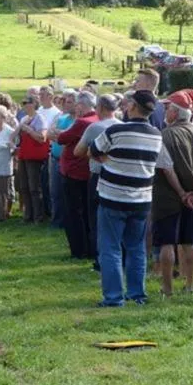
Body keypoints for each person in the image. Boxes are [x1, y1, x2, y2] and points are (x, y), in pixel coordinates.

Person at [90, 90, 163, 307]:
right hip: (141, 199)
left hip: (113, 196)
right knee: (136, 248)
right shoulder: (156, 134)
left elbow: (94, 150)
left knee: (110, 248)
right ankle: (136, 294)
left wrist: (108, 159)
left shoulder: (116, 131)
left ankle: (113, 297)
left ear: (132, 106)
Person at [154, 91, 193, 296]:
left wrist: (181, 192)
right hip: (192, 199)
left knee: (167, 242)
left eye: (168, 108)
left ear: (175, 112)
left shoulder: (165, 135)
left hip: (168, 197)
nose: (165, 111)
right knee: (189, 241)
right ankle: (190, 285)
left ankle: (167, 289)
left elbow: (166, 168)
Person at [74, 94, 122, 271]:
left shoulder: (96, 127)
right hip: (121, 175)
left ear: (100, 108)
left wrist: (91, 152)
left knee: (97, 218)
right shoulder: (123, 126)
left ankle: (100, 259)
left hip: (99, 175)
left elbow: (78, 151)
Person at [57, 91, 99, 258]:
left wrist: (57, 133)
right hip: (87, 172)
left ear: (81, 106)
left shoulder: (83, 122)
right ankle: (89, 247)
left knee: (74, 213)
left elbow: (62, 138)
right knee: (87, 213)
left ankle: (79, 249)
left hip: (75, 172)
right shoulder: (97, 119)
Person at [16, 95, 49, 223]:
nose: (24, 105)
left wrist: (28, 130)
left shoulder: (40, 118)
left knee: (34, 187)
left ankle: (38, 216)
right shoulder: (25, 118)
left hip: (34, 157)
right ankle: (27, 215)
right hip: (24, 155)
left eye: (27, 103)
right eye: (23, 103)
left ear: (34, 104)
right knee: (24, 186)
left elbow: (42, 138)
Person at [47, 91, 77, 228]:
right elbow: (49, 134)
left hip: (69, 162)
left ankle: (68, 221)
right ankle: (56, 221)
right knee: (55, 192)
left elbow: (69, 139)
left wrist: (60, 135)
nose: (65, 104)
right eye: (64, 101)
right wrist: (62, 135)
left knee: (68, 193)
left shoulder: (78, 121)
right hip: (54, 159)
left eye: (69, 102)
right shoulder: (61, 118)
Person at [37, 85, 61, 217]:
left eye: (43, 95)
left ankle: (50, 210)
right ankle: (43, 209)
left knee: (48, 182)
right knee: (40, 182)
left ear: (50, 97)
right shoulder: (39, 110)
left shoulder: (56, 113)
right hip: (37, 148)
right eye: (39, 94)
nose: (40, 97)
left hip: (49, 149)